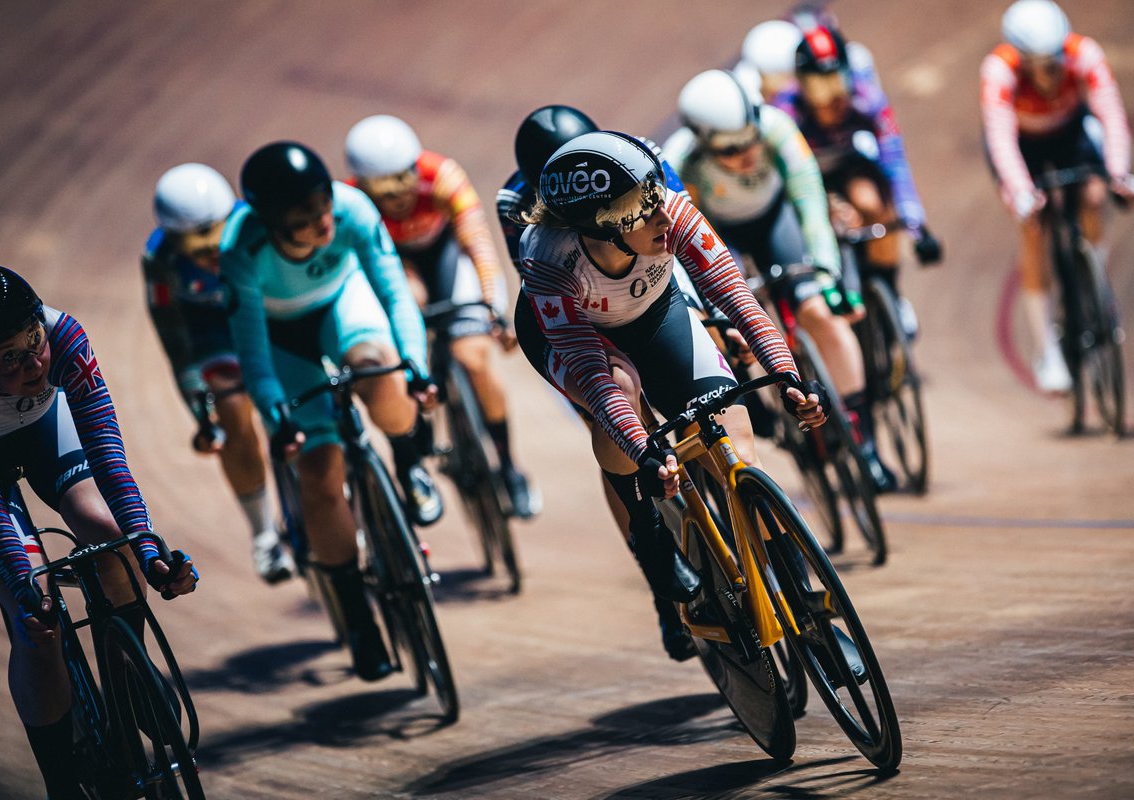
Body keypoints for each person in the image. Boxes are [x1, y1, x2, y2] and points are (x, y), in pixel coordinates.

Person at [515, 131, 826, 618]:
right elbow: (594, 379)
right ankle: (649, 531)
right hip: (581, 345)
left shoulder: (671, 212)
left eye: (656, 193)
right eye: (644, 206)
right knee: (618, 394)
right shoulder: (548, 257)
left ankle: (805, 608)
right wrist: (644, 452)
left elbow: (736, 298)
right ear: (602, 225)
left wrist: (787, 377)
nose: (664, 214)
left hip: (657, 316)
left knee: (739, 449)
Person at [0, 264, 198, 800]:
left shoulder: (65, 335)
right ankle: (61, 782)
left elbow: (108, 460)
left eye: (34, 341)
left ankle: (129, 671)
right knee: (35, 613)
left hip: (40, 431)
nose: (35, 363)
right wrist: (26, 589)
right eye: (11, 357)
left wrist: (147, 549)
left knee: (107, 534)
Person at [498, 106, 720, 661]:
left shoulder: (637, 158)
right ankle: (660, 584)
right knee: (612, 419)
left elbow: (675, 243)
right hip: (576, 322)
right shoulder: (518, 206)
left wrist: (705, 313)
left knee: (702, 388)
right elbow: (553, 299)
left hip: (648, 289)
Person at [221, 140, 439, 682]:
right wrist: (278, 417)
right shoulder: (240, 250)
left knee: (382, 372)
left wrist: (415, 367)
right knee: (319, 473)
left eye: (322, 205)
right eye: (303, 218)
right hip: (281, 341)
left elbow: (394, 295)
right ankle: (358, 619)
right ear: (270, 223)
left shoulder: (353, 209)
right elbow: (251, 353)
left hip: (344, 303)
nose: (322, 222)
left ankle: (409, 461)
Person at [663, 68, 896, 492]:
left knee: (818, 311)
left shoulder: (778, 126)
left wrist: (827, 276)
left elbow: (809, 203)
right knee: (734, 326)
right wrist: (712, 310)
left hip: (777, 219)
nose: (746, 154)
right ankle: (757, 397)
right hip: (721, 233)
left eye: (750, 139)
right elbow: (679, 245)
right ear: (700, 141)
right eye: (729, 151)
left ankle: (865, 444)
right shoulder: (677, 158)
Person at [343, 114, 538, 518]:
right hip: (398, 266)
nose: (399, 199)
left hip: (446, 255)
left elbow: (479, 246)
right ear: (363, 188)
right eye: (386, 192)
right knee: (409, 299)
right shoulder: (350, 204)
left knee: (473, 358)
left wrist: (495, 310)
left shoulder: (443, 176)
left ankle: (510, 467)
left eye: (405, 184)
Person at [144, 162, 295, 583]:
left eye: (218, 240)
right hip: (212, 333)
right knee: (230, 411)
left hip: (267, 317)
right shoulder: (161, 260)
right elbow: (176, 343)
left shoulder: (257, 226)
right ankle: (264, 534)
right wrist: (202, 413)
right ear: (176, 243)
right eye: (198, 248)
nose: (212, 256)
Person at [981, 0, 1133, 392]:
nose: (1049, 74)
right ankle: (1047, 347)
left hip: (1071, 135)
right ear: (1021, 59)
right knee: (1033, 228)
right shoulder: (999, 69)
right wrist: (1022, 194)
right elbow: (1000, 138)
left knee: (1095, 195)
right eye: (1040, 66)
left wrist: (1118, 174)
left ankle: (1093, 285)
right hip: (1023, 146)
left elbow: (1111, 116)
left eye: (1055, 63)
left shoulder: (1084, 54)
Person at [774, 23, 943, 336]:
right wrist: (826, 205)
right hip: (804, 179)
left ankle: (890, 291)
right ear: (801, 86)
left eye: (836, 84)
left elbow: (894, 162)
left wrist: (915, 225)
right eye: (819, 88)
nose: (831, 99)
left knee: (873, 204)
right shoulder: (784, 112)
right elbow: (783, 181)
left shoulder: (866, 97)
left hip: (848, 166)